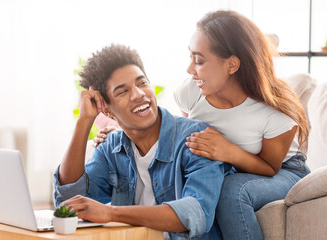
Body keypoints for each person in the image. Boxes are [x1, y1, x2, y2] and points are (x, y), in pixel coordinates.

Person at [93, 10, 311, 240]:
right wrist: (125, 133)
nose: (189, 70)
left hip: (282, 171)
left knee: (230, 190)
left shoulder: (274, 113)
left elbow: (270, 167)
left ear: (232, 65)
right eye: (190, 58)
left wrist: (230, 152)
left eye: (199, 61)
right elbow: (178, 134)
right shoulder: (192, 91)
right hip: (227, 165)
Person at [53, 44, 232, 240]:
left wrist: (112, 213)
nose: (138, 94)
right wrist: (84, 121)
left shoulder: (195, 137)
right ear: (107, 110)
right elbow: (68, 202)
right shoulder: (110, 147)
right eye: (122, 92)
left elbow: (196, 213)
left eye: (142, 83)